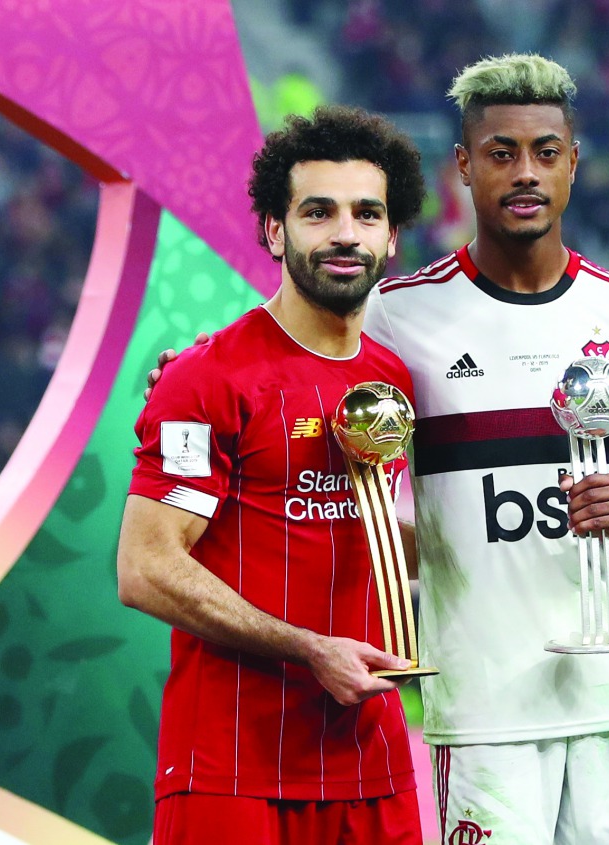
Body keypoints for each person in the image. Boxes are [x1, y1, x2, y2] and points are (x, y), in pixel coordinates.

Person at [150, 55, 609, 845]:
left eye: (546, 152)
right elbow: (299, 350)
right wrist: (192, 373)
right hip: (482, 711)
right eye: (501, 153)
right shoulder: (398, 317)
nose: (525, 172)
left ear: (574, 164)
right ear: (464, 166)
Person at [117, 105, 427, 845]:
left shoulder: (394, 380)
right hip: (232, 770)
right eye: (318, 212)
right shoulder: (206, 378)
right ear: (274, 230)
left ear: (392, 236)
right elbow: (145, 568)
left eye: (366, 214)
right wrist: (310, 647)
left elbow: (380, 543)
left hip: (371, 764)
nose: (345, 233)